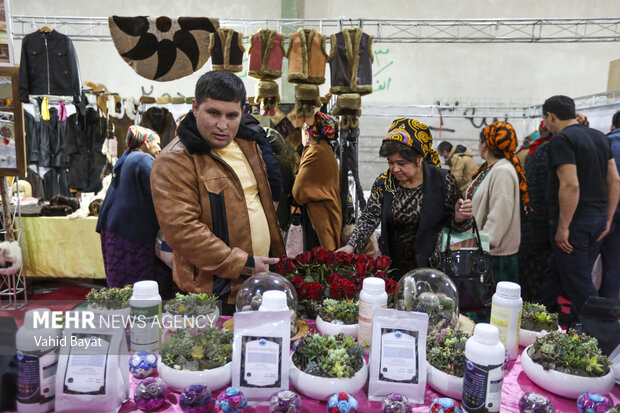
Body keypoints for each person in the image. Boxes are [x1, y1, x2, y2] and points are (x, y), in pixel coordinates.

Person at [150, 70, 285, 314]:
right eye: (213, 113)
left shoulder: (248, 145)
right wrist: (243, 264)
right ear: (195, 107)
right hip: (213, 292)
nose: (223, 125)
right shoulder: (175, 159)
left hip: (259, 280)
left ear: (243, 112)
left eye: (232, 115)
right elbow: (184, 232)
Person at [339, 118, 473, 278]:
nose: (395, 169)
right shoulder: (385, 183)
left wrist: (459, 219)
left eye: (401, 163)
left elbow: (459, 226)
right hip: (393, 270)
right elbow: (370, 217)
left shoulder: (443, 182)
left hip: (432, 272)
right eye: (390, 162)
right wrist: (352, 244)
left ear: (419, 158)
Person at [538, 95, 620, 322]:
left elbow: (571, 184)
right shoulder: (600, 138)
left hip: (574, 222)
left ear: (550, 116)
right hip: (597, 220)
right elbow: (614, 180)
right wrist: (608, 218)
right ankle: (540, 316)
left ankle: (606, 328)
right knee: (556, 273)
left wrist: (564, 226)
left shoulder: (561, 140)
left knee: (579, 283)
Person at [96, 125, 173, 298]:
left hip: (112, 229)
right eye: (157, 144)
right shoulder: (143, 159)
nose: (160, 148)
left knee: (119, 279)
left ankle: (122, 317)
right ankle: (139, 319)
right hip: (130, 233)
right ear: (146, 142)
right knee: (139, 284)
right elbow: (162, 190)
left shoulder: (126, 158)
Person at [468, 121, 528, 285]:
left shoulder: (502, 171)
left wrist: (480, 242)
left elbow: (500, 214)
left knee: (491, 306)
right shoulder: (491, 168)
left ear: (485, 144)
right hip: (486, 250)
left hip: (495, 257)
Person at [291, 112, 342, 250]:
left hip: (320, 219)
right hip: (328, 215)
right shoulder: (326, 150)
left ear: (308, 135)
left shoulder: (315, 152)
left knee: (319, 264)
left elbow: (298, 192)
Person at [598, 110, 620, 298]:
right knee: (614, 266)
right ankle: (609, 312)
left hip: (602, 214)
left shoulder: (605, 143)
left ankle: (587, 313)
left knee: (584, 266)